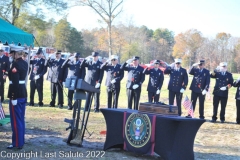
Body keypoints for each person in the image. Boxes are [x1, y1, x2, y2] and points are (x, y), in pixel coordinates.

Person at [7, 50, 28, 149]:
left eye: (13, 53)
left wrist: (13, 96)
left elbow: (15, 82)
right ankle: (20, 141)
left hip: (16, 94)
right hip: (23, 92)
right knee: (20, 119)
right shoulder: (25, 63)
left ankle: (17, 143)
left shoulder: (15, 64)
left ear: (16, 54)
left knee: (15, 120)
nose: (12, 55)